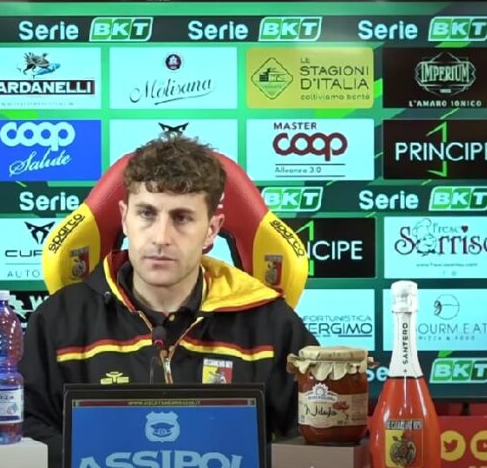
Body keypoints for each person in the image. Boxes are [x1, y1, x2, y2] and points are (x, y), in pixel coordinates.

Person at [19, 135, 318, 467]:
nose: (161, 237)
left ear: (212, 229)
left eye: (182, 218)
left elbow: (315, 436)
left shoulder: (270, 322)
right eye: (146, 214)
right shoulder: (60, 320)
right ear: (124, 218)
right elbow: (23, 429)